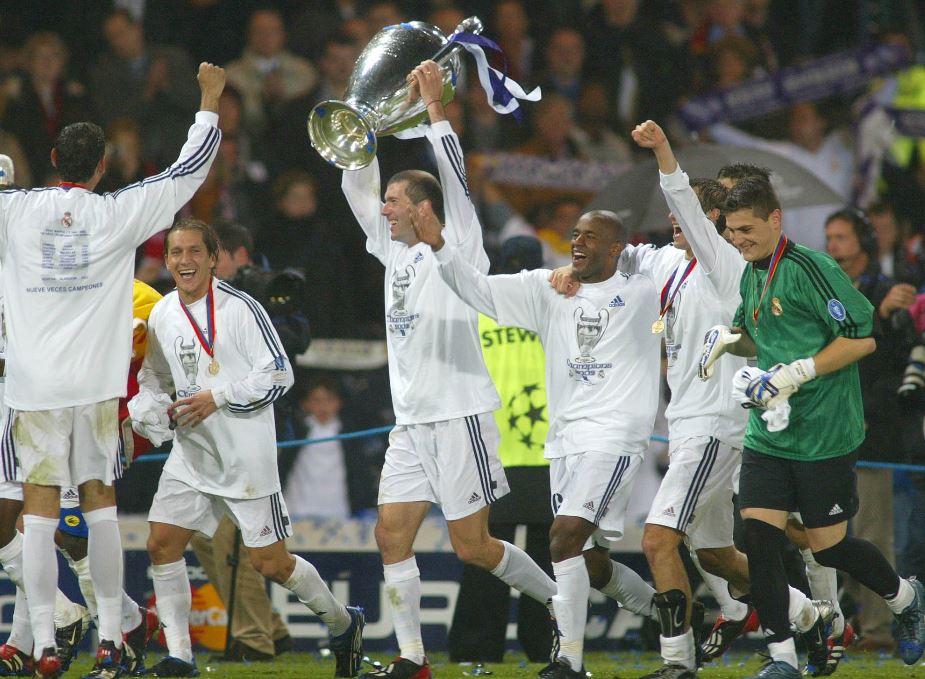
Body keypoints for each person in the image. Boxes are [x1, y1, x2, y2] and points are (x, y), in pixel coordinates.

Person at [0, 62, 224, 679]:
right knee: (99, 509)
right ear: (103, 166)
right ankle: (108, 638)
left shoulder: (15, 210)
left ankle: (45, 645)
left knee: (38, 515)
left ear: (53, 159)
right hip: (97, 390)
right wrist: (208, 101)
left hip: (33, 388)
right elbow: (188, 172)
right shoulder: (119, 212)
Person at [341, 60, 559, 679]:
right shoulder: (391, 251)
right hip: (411, 424)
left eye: (393, 201)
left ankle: (561, 604)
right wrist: (360, 122)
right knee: (391, 536)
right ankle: (412, 657)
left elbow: (457, 181)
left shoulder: (460, 243)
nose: (383, 209)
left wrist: (436, 111)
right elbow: (357, 189)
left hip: (461, 415)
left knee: (473, 547)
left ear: (422, 208)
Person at [412, 184, 664, 678]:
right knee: (589, 561)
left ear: (617, 248)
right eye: (575, 235)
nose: (578, 242)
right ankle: (667, 613)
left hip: (613, 437)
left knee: (563, 538)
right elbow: (477, 288)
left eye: (591, 237)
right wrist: (439, 246)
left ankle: (568, 660)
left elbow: (688, 271)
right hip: (560, 443)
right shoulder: (546, 290)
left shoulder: (644, 292)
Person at [698, 174, 925, 679]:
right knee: (757, 537)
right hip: (770, 432)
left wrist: (799, 371)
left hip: (825, 432)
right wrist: (728, 340)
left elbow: (863, 337)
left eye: (747, 229)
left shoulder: (812, 268)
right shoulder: (752, 272)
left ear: (775, 219)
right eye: (732, 231)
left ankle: (906, 598)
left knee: (830, 546)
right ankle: (782, 658)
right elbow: (756, 336)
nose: (737, 239)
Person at [130, 219, 363, 678]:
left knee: (271, 563)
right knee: (162, 543)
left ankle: (343, 623)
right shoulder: (162, 312)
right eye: (176, 252)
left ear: (214, 258)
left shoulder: (242, 308)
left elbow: (279, 374)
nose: (184, 261)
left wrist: (216, 398)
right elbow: (153, 375)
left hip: (246, 459)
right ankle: (180, 656)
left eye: (195, 251)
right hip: (192, 453)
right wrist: (148, 407)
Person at [448, 236, 555, 664]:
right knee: (550, 555)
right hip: (549, 450)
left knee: (485, 552)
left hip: (489, 449)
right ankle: (547, 643)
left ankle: (475, 645)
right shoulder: (554, 310)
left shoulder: (475, 311)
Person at [824, 207, 919, 652]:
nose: (832, 246)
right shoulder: (825, 288)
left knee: (874, 530)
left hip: (871, 428)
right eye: (829, 237)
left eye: (841, 237)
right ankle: (848, 620)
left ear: (863, 241)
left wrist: (887, 314)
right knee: (830, 533)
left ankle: (879, 629)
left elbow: (894, 358)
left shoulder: (887, 291)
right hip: (827, 425)